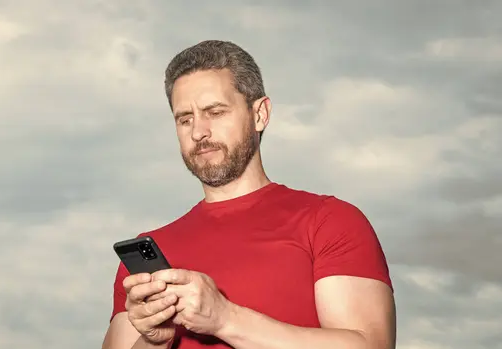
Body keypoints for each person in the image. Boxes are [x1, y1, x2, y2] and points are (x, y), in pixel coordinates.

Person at [102, 40, 396, 349]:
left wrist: (225, 319)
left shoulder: (329, 221)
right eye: (184, 118)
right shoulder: (149, 254)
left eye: (215, 112)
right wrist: (152, 341)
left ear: (260, 114)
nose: (198, 132)